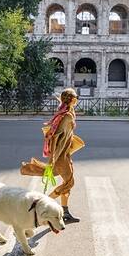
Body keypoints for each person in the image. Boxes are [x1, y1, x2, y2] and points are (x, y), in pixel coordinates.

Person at [20, 88, 83, 223]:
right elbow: (55, 136)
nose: (77, 99)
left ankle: (65, 212)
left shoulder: (67, 112)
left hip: (65, 154)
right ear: (71, 99)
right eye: (75, 97)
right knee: (69, 183)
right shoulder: (67, 116)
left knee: (67, 184)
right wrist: (53, 158)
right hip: (61, 156)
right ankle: (41, 204)